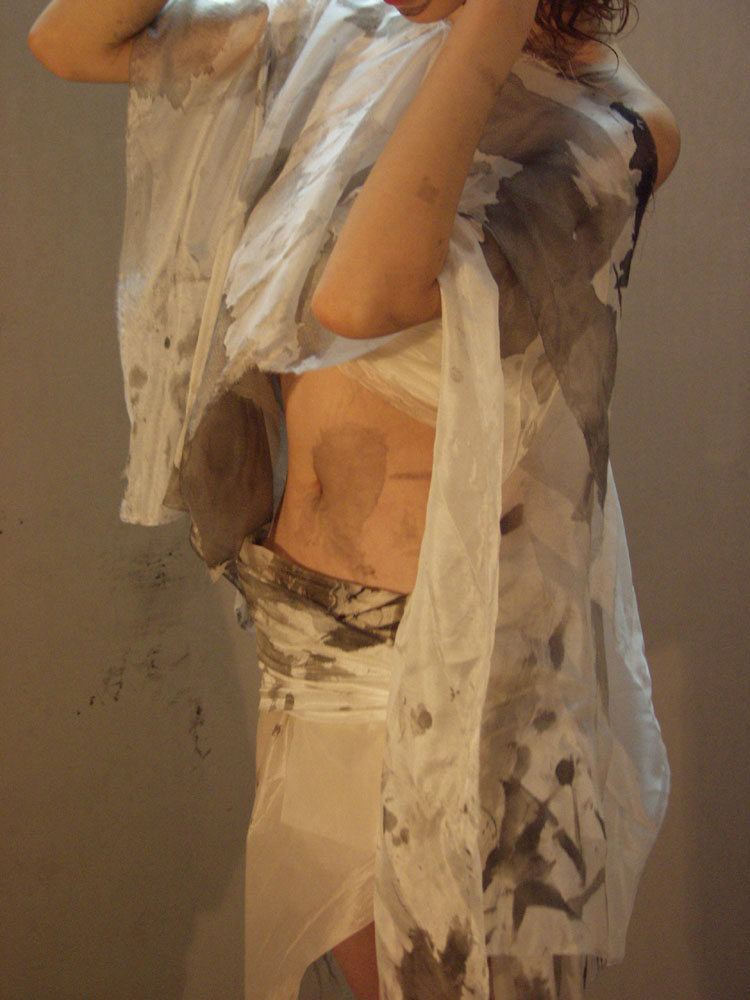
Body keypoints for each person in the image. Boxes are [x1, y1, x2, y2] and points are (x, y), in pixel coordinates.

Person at [29, 1, 680, 998]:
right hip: (309, 644)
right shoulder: (344, 30)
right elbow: (69, 42)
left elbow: (362, 297)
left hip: (453, 672)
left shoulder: (611, 125)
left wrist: (491, 16)